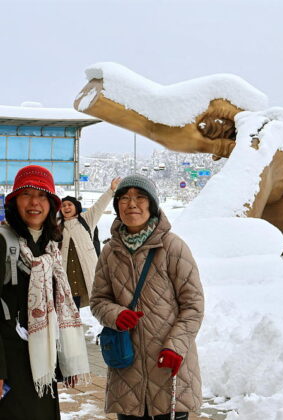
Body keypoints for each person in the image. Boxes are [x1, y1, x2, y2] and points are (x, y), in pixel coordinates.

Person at [90, 174, 204, 420]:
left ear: (152, 204)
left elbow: (193, 305)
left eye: (140, 197)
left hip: (168, 364)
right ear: (117, 205)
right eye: (124, 198)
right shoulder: (110, 251)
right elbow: (98, 301)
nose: (132, 204)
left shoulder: (173, 247)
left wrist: (175, 346)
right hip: (126, 366)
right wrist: (116, 315)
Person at [0, 165, 89, 420]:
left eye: (42, 195)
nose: (34, 202)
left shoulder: (49, 246)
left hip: (41, 361)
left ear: (52, 204)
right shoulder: (3, 241)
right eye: (26, 194)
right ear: (14, 201)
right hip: (12, 362)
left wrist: (67, 359)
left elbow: (57, 307)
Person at [58, 177, 120, 309]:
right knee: (69, 307)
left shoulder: (86, 220)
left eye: (69, 204)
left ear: (76, 207)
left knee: (97, 304)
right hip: (66, 275)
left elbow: (99, 206)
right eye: (63, 206)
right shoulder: (57, 226)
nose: (66, 207)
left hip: (85, 273)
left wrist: (111, 190)